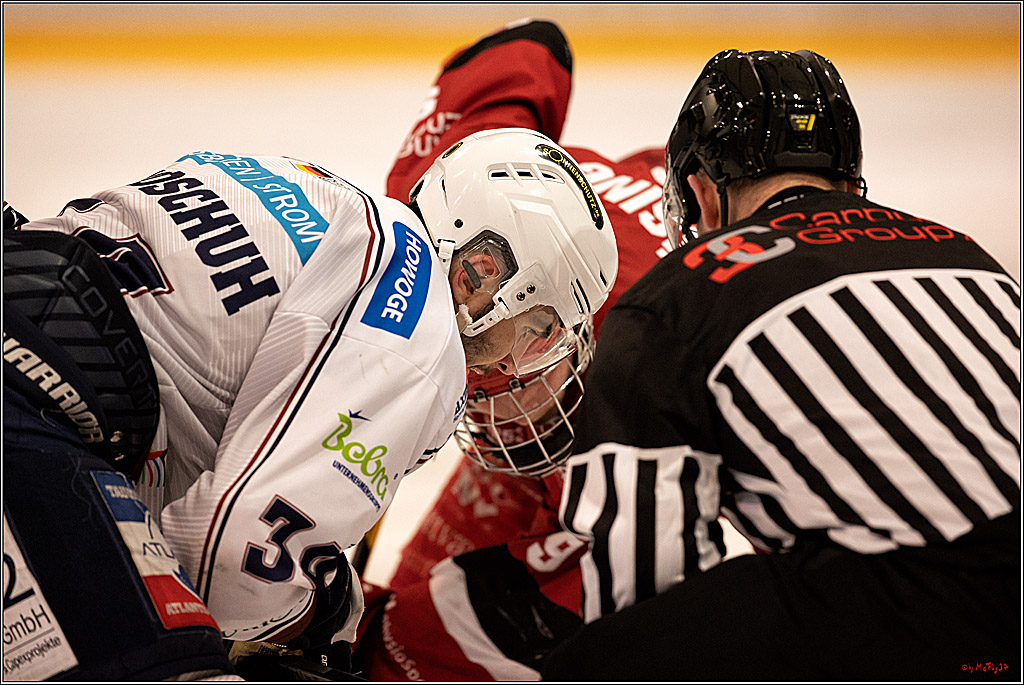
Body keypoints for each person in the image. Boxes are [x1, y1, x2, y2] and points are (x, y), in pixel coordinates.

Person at [2, 122, 617, 676]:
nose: (515, 364)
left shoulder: (314, 189)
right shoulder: (423, 330)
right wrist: (318, 615)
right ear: (482, 273)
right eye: (539, 330)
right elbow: (230, 557)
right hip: (34, 420)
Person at [542, 48, 1021, 681]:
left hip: (931, 614)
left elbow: (641, 577)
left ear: (701, 193)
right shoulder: (968, 254)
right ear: (848, 181)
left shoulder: (674, 296)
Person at [349, 19, 671, 680]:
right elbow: (529, 44)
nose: (488, 401)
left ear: (575, 326)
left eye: (511, 364)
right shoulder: (436, 207)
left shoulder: (663, 362)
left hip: (610, 418)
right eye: (472, 372)